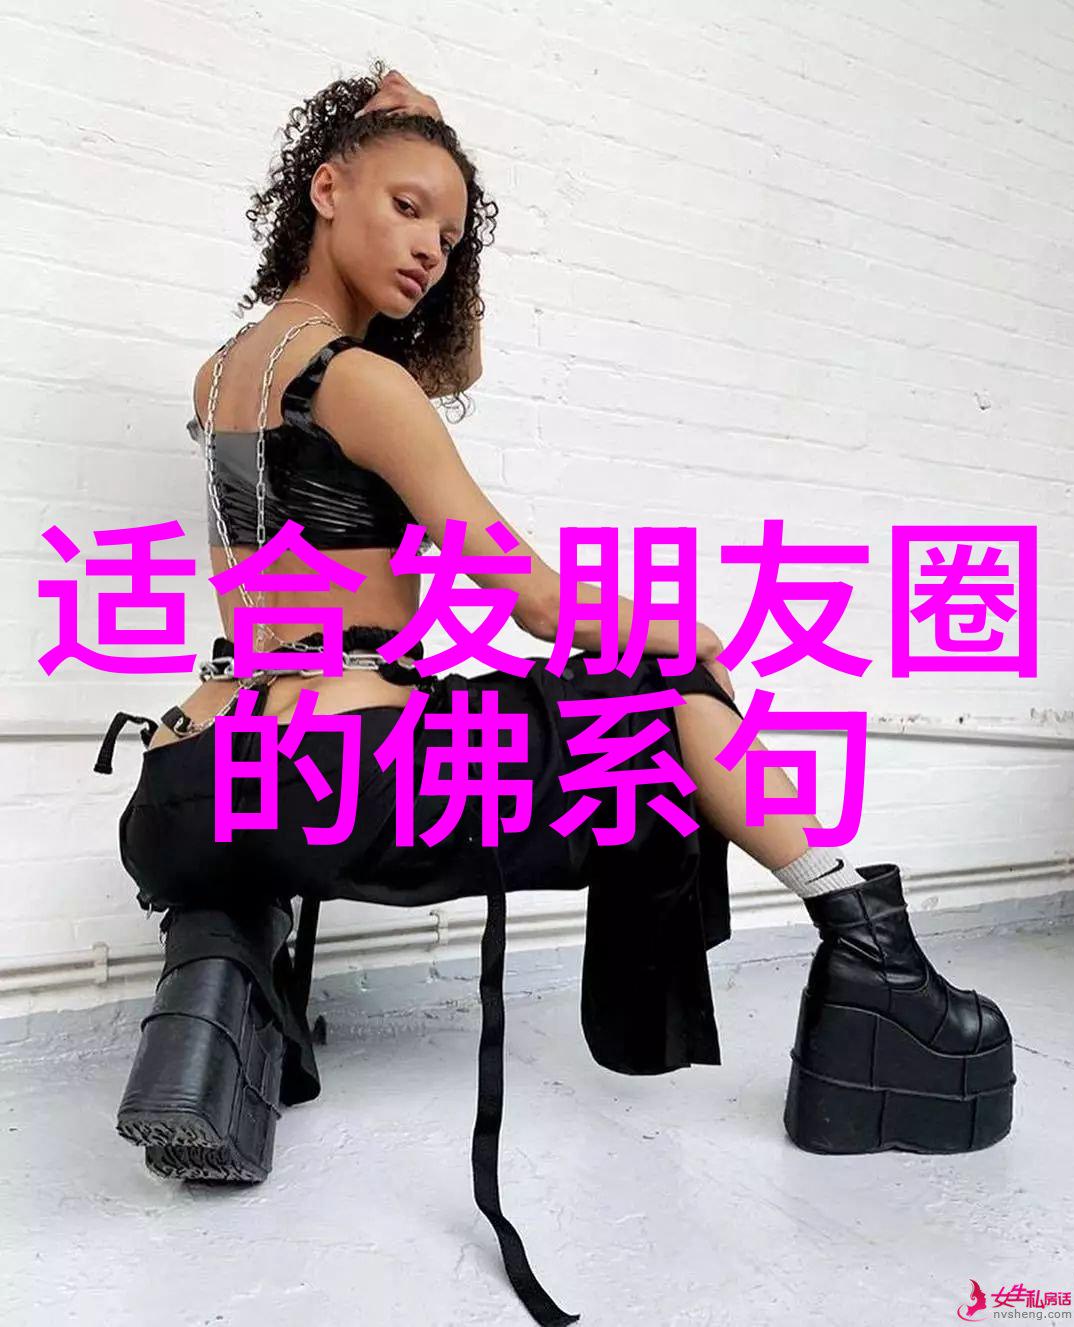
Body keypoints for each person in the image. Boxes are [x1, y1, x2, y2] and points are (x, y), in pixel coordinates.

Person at [93, 64, 1015, 1327]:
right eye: (407, 208)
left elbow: (441, 355)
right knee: (662, 686)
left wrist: (413, 173)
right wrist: (677, 632)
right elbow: (530, 598)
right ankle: (873, 958)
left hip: (189, 788)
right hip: (335, 778)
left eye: (451, 234)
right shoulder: (364, 385)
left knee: (301, 807)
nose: (431, 249)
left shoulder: (221, 376)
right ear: (326, 187)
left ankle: (215, 967)